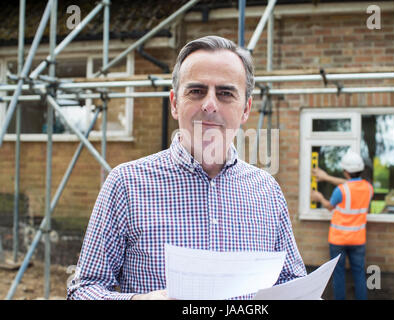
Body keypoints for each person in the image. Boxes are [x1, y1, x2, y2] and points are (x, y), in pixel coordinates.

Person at [67, 35, 306, 300]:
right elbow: (83, 289)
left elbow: (292, 283)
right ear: (174, 104)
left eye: (226, 93)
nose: (210, 105)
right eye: (196, 91)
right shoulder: (126, 184)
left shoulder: (267, 191)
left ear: (246, 108)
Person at [310, 150, 373, 300]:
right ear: (361, 169)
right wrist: (326, 177)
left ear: (345, 171)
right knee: (359, 274)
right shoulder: (369, 188)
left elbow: (330, 206)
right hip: (358, 240)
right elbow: (354, 184)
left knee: (338, 275)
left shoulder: (341, 190)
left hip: (338, 240)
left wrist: (319, 197)